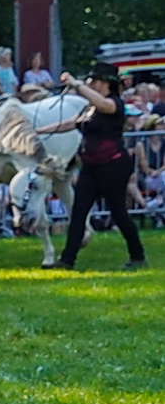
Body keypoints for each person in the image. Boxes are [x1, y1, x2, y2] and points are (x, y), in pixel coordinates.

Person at [35, 64, 146, 270]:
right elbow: (71, 123)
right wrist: (39, 130)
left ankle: (138, 256)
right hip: (91, 167)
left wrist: (76, 84)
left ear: (104, 83)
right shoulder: (90, 108)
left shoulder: (114, 104)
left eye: (92, 81)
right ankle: (67, 260)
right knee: (78, 213)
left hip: (112, 166)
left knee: (119, 213)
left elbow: (103, 104)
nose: (89, 85)